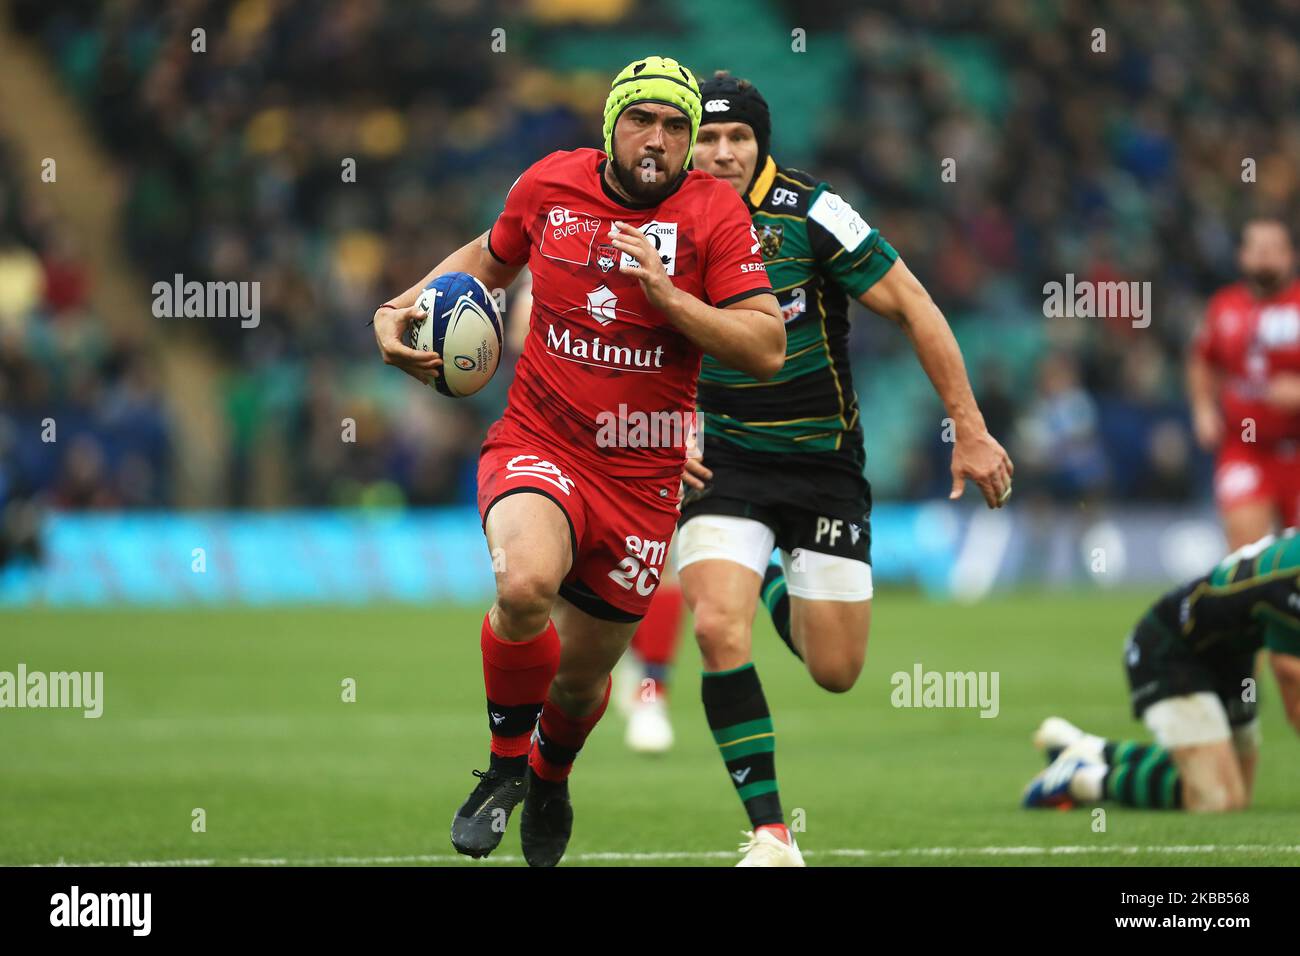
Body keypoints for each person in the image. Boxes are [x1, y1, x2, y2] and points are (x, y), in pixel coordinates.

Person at [371, 56, 785, 866]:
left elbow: (766, 345)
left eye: (676, 126)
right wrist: (399, 306)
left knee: (581, 681)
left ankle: (550, 777)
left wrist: (671, 298)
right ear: (612, 127)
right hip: (540, 443)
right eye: (643, 120)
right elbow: (489, 260)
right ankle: (499, 771)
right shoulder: (551, 186)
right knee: (523, 585)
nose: (658, 138)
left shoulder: (715, 217)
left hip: (642, 480)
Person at [677, 72, 1013, 866]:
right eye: (710, 138)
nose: (723, 154)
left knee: (836, 670)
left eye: (739, 138)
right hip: (719, 460)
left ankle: (766, 577)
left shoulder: (812, 211)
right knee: (716, 628)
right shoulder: (662, 218)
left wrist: (967, 426)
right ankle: (769, 833)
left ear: (762, 143)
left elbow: (913, 304)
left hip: (824, 467)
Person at [1023, 530, 1300, 812]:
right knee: (1215, 800)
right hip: (1171, 650)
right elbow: (1292, 681)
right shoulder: (1289, 578)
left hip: (1234, 657)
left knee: (1237, 793)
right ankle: (1083, 779)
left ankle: (1094, 750)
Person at [1188, 218, 1300, 550]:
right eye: (1257, 248)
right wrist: (1203, 407)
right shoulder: (1223, 307)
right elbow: (1202, 360)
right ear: (1242, 256)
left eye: (1274, 249)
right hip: (1246, 447)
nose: (1265, 257)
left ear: (1290, 255)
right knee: (1244, 555)